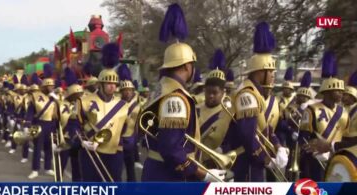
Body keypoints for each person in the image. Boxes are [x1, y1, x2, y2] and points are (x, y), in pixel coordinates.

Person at [140, 3, 226, 182]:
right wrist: (202, 174)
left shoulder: (160, 89)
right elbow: (171, 148)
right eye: (192, 65)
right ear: (188, 66)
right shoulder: (176, 98)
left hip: (155, 170)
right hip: (167, 176)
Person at [229, 22, 288, 182]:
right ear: (260, 72)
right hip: (247, 162)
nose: (273, 76)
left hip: (256, 161)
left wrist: (278, 146)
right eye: (271, 71)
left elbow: (265, 128)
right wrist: (267, 160)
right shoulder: (247, 94)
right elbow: (248, 136)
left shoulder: (256, 93)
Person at [79, 43, 129, 182]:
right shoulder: (84, 101)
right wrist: (84, 140)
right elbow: (76, 124)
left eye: (114, 84)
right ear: (100, 84)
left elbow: (125, 129)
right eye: (108, 83)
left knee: (113, 190)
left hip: (114, 154)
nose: (112, 86)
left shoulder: (123, 106)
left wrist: (123, 145)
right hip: (91, 152)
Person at [300, 51, 349, 181]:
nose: (341, 93)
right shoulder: (311, 110)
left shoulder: (344, 112)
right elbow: (303, 139)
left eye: (341, 91)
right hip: (315, 161)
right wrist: (314, 152)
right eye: (337, 90)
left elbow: (346, 138)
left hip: (337, 160)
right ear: (327, 92)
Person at [24, 64, 57, 179]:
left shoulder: (56, 98)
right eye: (50, 86)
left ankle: (47, 168)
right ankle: (35, 169)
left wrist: (58, 101)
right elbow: (30, 112)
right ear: (44, 87)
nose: (52, 88)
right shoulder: (35, 96)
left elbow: (58, 114)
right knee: (37, 147)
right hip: (38, 123)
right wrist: (27, 124)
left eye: (53, 86)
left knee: (49, 147)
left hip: (51, 124)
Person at [118, 64, 141, 181]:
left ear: (133, 91)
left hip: (131, 141)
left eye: (129, 90)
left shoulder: (138, 106)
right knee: (117, 171)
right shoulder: (115, 105)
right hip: (118, 142)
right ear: (121, 92)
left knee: (130, 170)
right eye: (125, 90)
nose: (127, 93)